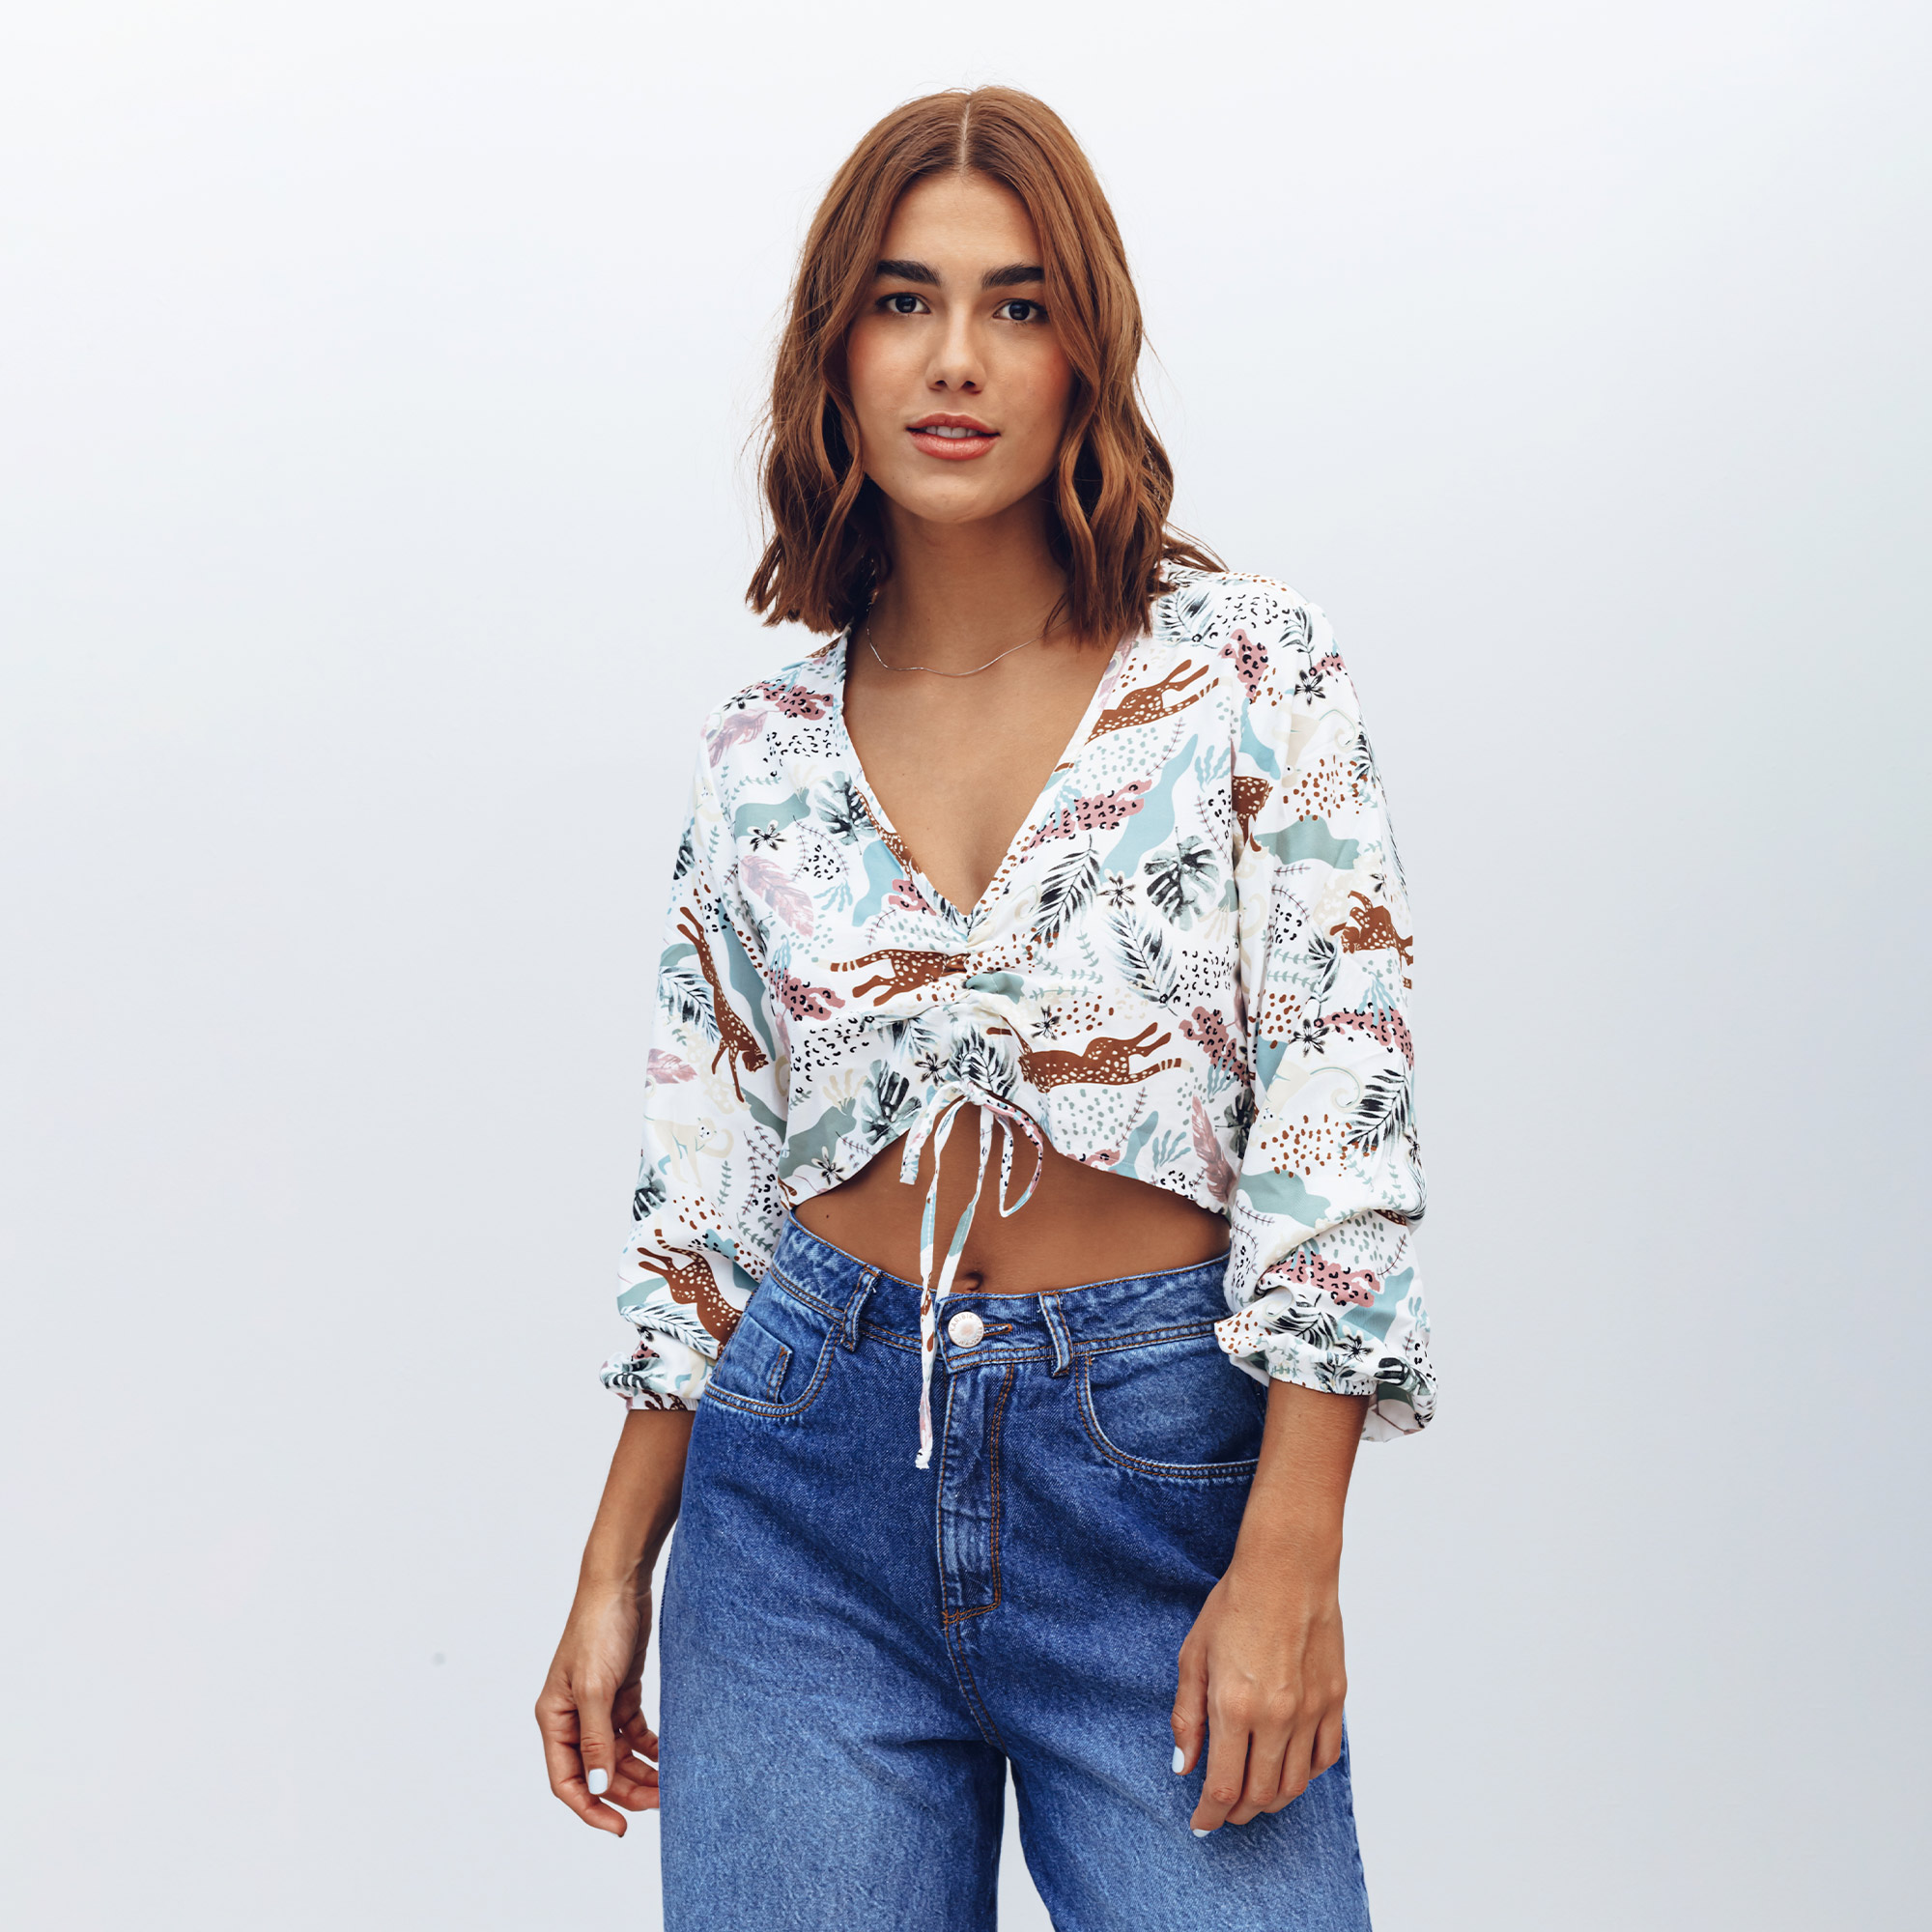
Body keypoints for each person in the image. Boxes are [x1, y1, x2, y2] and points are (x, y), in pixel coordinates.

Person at [535, 86, 1435, 1931]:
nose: (957, 360)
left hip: (1159, 1473)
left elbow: (1339, 1119)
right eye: (904, 301)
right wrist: (618, 1560)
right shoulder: (761, 750)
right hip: (800, 1496)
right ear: (836, 351)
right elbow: (705, 1188)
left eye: (1018, 306)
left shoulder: (1247, 671)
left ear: (1084, 352)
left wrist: (1292, 1559)